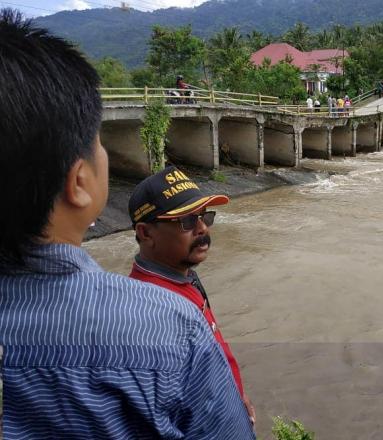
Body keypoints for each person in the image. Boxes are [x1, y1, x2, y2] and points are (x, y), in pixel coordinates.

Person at [0, 9, 255, 439]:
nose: (202, 228)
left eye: (204, 217)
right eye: (97, 143)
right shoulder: (165, 323)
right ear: (79, 181)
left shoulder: (181, 291)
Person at [128, 166, 256, 425]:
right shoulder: (154, 311)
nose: (202, 229)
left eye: (204, 217)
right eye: (187, 221)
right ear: (146, 233)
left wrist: (236, 396)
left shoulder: (183, 277)